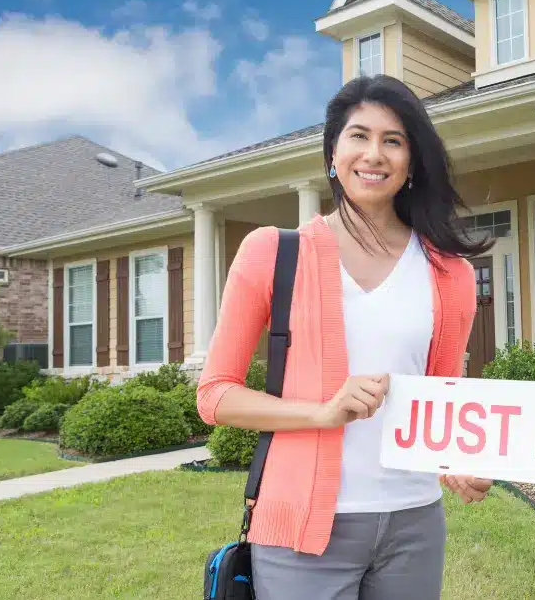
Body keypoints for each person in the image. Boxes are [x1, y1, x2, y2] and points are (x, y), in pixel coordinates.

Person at [196, 74, 495, 600]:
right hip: (301, 529)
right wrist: (320, 413)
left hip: (414, 522)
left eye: (393, 140)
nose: (374, 154)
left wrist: (458, 462)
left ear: (411, 162)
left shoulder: (451, 273)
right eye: (359, 136)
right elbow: (215, 394)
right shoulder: (272, 252)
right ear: (333, 153)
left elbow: (443, 398)